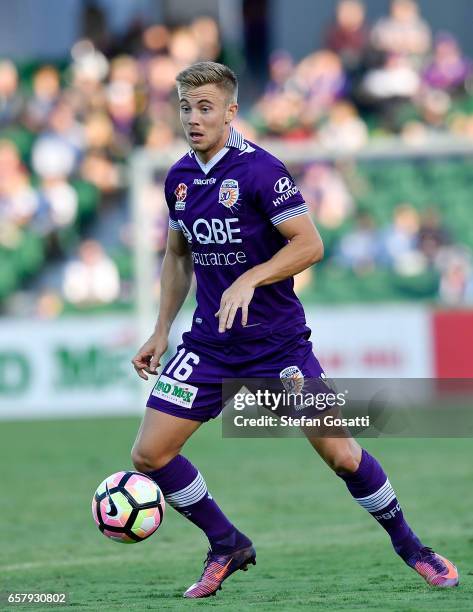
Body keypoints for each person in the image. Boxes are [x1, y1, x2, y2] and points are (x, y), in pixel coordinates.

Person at [130, 61, 458, 598]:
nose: (193, 118)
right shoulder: (179, 179)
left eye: (205, 107)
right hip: (209, 345)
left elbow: (309, 244)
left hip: (276, 346)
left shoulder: (262, 171)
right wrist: (161, 328)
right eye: (186, 107)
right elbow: (176, 255)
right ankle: (226, 543)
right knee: (149, 455)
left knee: (342, 455)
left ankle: (411, 546)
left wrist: (251, 280)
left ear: (231, 111)